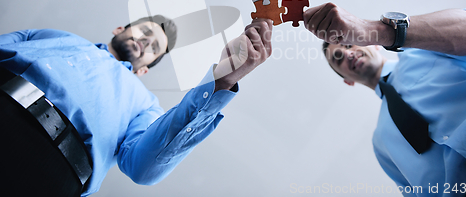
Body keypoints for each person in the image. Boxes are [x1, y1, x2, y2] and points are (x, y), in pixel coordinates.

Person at [0, 15, 273, 196]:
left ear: (144, 71)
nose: (145, 41)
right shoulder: (56, 35)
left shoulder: (145, 105)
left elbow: (143, 168)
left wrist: (220, 81)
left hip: (53, 175)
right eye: (144, 31)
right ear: (119, 29)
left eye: (154, 47)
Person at [304, 2, 466, 195]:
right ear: (347, 81)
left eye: (348, 44)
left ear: (373, 44)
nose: (347, 54)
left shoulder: (425, 47)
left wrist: (379, 31)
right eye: (338, 58)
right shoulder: (381, 146)